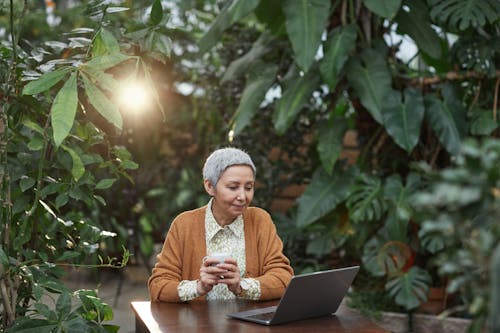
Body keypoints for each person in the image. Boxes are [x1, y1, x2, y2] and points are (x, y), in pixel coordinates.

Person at [149, 147, 294, 302]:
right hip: (196, 325)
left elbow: (284, 278)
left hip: (251, 325)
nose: (242, 196)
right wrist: (199, 287)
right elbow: (158, 285)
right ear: (210, 186)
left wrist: (241, 286)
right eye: (233, 187)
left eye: (249, 187)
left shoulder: (260, 220)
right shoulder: (184, 225)